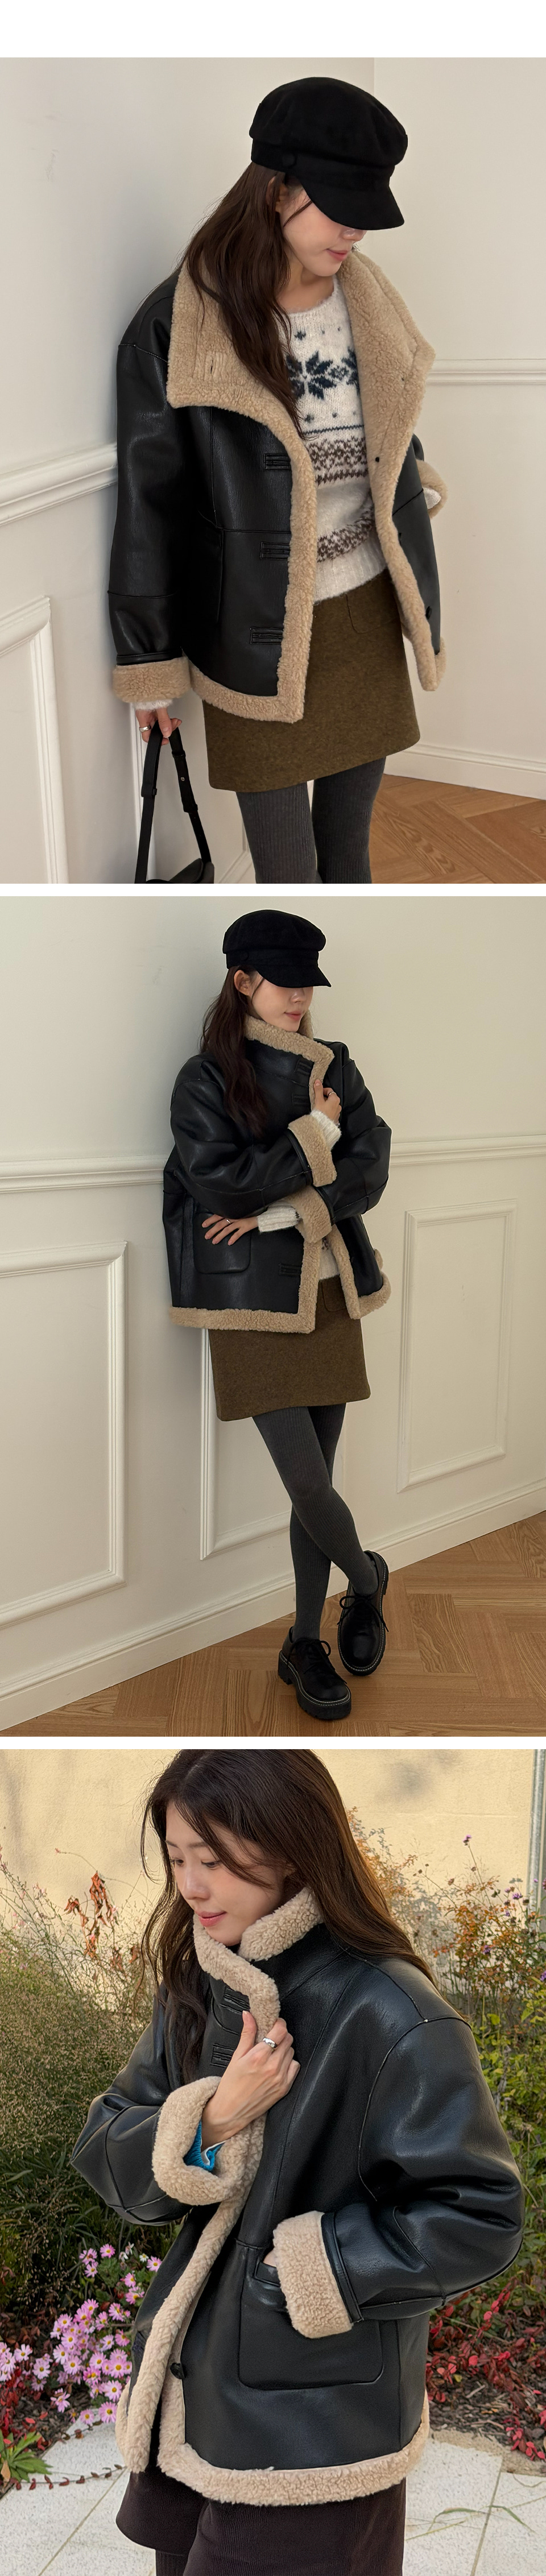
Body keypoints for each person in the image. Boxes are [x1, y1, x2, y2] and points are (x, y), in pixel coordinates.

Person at [72, 1746, 524, 2576]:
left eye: (213, 1859)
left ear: (288, 1845)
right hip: (196, 2402)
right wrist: (213, 2117)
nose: (191, 1886)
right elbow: (106, 2143)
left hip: (317, 2425)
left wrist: (315, 2268)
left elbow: (479, 2213)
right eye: (177, 1858)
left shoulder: (393, 2012)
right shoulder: (203, 1985)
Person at [109, 74, 447, 884]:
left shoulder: (369, 302)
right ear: (275, 189)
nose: (356, 230)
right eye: (339, 206)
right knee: (287, 872)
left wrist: (411, 476)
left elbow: (385, 425)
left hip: (364, 613)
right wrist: (149, 664)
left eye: (367, 208)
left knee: (349, 855)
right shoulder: (179, 326)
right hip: (253, 634)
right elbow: (150, 505)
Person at [163, 906, 392, 1721]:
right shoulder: (204, 1081)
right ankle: (368, 1579)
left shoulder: (337, 1063)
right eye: (285, 983)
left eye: (308, 985)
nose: (300, 998)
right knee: (308, 1481)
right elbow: (220, 1183)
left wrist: (287, 1212)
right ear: (243, 980)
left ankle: (302, 1640)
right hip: (251, 1308)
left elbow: (372, 1165)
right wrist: (317, 1129)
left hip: (330, 1296)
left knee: (312, 1488)